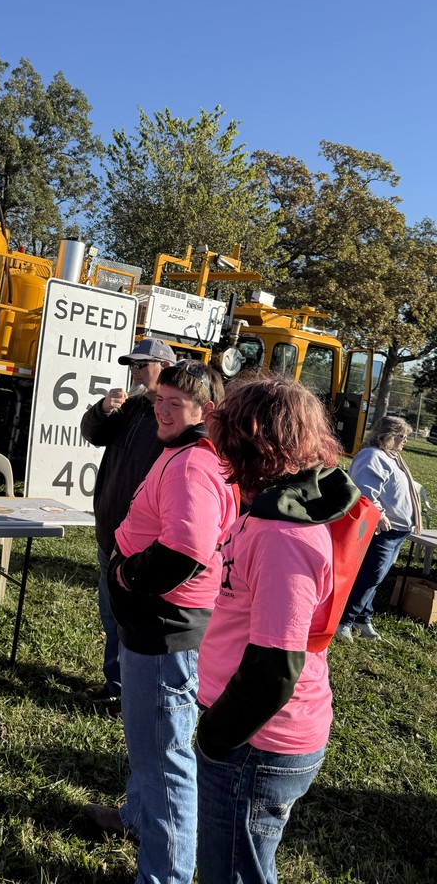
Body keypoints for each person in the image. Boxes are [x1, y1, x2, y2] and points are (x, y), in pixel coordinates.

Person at [195, 377, 359, 884]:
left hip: (257, 740)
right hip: (253, 732)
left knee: (232, 872)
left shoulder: (281, 535)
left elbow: (274, 668)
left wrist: (215, 738)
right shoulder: (267, 510)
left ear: (247, 441)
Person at [90, 360, 238, 884]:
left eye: (176, 404)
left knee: (164, 755)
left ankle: (166, 874)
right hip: (159, 625)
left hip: (165, 628)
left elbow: (185, 551)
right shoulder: (188, 452)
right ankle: (137, 816)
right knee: (151, 743)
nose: (162, 411)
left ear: (206, 411)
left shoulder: (192, 464)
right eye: (160, 400)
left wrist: (126, 575)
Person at [79, 338, 175, 709]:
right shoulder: (131, 407)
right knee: (111, 615)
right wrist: (103, 409)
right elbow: (93, 433)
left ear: (165, 367)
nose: (134, 372)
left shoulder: (174, 418)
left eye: (141, 365)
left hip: (143, 541)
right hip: (110, 532)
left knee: (135, 620)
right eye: (131, 365)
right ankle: (116, 683)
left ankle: (133, 691)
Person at [335, 415, 421, 642]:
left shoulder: (390, 456)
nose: (405, 441)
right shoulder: (372, 456)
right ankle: (344, 621)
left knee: (376, 577)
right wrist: (380, 514)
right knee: (370, 576)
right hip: (382, 530)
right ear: (388, 435)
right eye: (402, 436)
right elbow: (363, 490)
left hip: (397, 531)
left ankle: (362, 617)